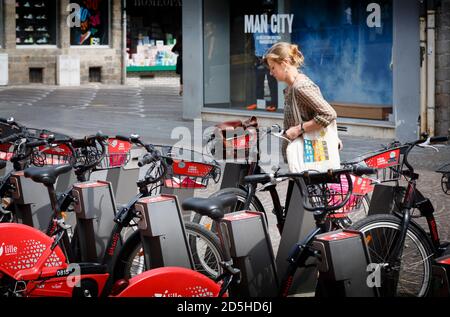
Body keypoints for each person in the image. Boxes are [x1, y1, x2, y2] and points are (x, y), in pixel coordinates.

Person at [262, 42, 342, 160]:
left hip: (310, 159)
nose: (271, 72)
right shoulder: (292, 88)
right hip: (306, 157)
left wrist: (298, 129)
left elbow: (329, 114)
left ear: (284, 63)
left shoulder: (300, 87)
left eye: (273, 67)